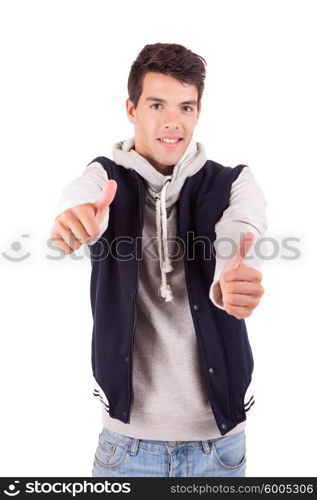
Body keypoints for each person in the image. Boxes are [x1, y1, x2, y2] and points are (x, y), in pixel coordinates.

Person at [50, 43, 267, 477]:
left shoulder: (233, 181)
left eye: (186, 107)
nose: (173, 121)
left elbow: (241, 226)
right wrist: (77, 216)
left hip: (220, 448)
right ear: (131, 109)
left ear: (198, 112)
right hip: (126, 447)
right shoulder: (105, 176)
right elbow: (82, 194)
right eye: (157, 104)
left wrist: (230, 272)